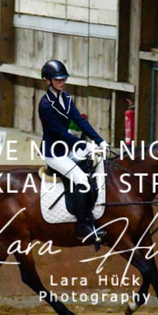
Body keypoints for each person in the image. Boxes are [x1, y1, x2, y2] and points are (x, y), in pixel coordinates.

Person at [39, 59, 110, 242]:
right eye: (58, 79)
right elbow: (59, 133)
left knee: (94, 164)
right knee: (81, 180)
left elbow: (80, 121)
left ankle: (91, 213)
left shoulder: (66, 98)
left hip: (67, 148)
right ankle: (82, 226)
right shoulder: (45, 105)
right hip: (54, 152)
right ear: (47, 81)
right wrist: (84, 145)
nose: (62, 82)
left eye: (64, 78)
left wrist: (99, 141)